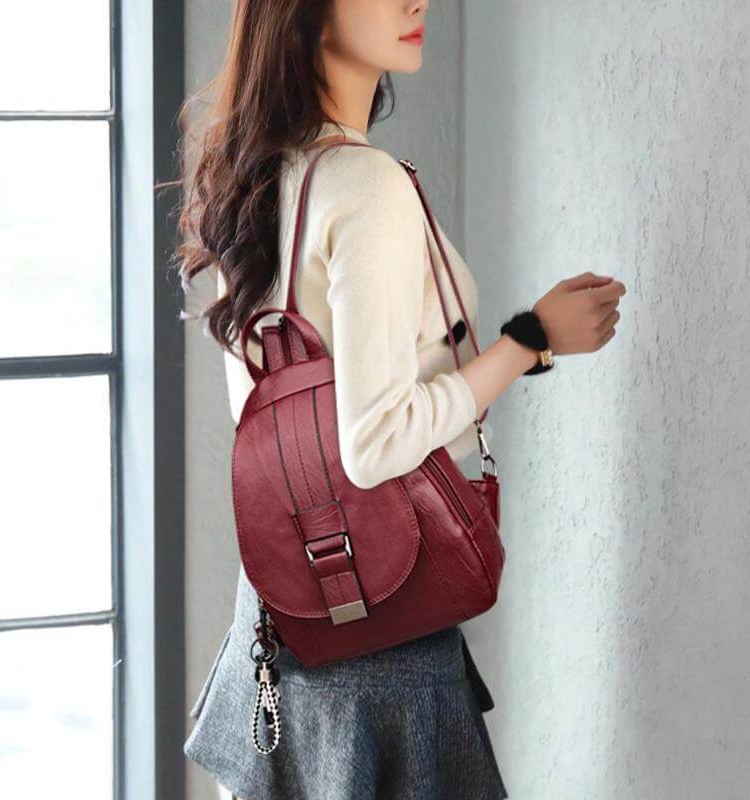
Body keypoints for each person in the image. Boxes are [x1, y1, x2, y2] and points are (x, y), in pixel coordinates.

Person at [173, 1, 626, 798]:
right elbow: (375, 441)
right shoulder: (366, 185)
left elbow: (321, 403)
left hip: (279, 629)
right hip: (381, 636)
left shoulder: (257, 178)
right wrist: (528, 340)